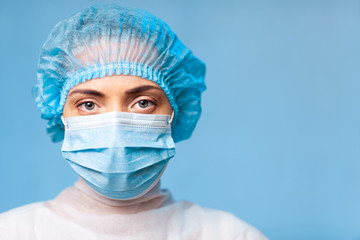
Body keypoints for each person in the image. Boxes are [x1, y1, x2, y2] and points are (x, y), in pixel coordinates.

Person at [0, 4, 267, 239]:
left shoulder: (231, 235)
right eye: (89, 104)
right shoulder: (14, 232)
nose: (115, 127)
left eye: (142, 103)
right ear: (61, 116)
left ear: (175, 113)